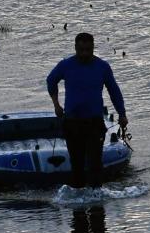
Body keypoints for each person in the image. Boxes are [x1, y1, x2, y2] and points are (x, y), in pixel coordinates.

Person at [47, 33, 128, 187]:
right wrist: (56, 105)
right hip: (72, 123)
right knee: (77, 167)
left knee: (95, 166)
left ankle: (97, 206)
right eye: (81, 49)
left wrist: (122, 114)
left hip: (94, 123)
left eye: (88, 50)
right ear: (75, 48)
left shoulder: (102, 67)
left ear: (93, 48)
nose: (84, 53)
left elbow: (114, 91)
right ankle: (79, 207)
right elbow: (51, 81)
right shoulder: (65, 65)